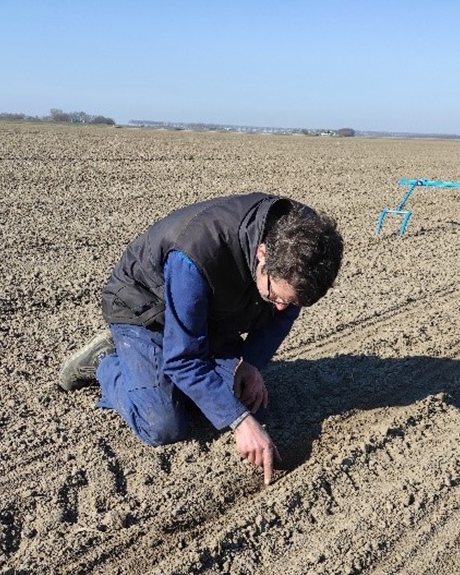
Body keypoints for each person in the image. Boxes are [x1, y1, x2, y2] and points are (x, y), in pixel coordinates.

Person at [58, 192, 344, 485]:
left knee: (242, 397)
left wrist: (250, 363)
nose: (281, 308)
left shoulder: (307, 243)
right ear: (262, 255)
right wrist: (239, 422)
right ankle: (106, 361)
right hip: (144, 306)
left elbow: (283, 312)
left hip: (209, 312)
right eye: (275, 296)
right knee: (164, 424)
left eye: (292, 302)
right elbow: (183, 357)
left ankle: (156, 371)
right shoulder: (196, 254)